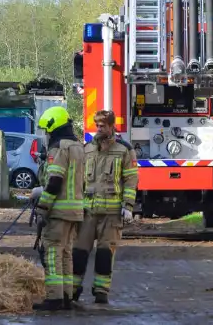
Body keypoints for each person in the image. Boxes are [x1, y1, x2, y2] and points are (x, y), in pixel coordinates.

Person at [72, 110, 137, 305]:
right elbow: (78, 180)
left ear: (111, 127)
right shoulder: (87, 149)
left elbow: (131, 179)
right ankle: (73, 289)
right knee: (79, 252)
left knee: (104, 254)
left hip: (112, 214)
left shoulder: (124, 150)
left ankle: (101, 292)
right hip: (88, 212)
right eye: (97, 126)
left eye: (102, 126)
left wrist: (128, 206)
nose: (98, 129)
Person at [30, 106, 85, 312]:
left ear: (53, 128)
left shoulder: (58, 148)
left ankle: (54, 299)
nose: (46, 135)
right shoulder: (78, 147)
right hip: (75, 210)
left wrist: (43, 206)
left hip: (59, 211)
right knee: (66, 254)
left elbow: (54, 181)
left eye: (47, 130)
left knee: (52, 253)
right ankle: (66, 296)